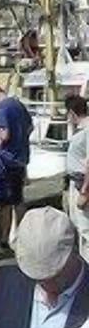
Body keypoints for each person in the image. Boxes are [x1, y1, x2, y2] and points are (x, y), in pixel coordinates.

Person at [0, 80, 33, 253]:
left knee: (5, 203)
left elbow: (4, 133)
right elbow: (30, 127)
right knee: (18, 200)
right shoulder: (18, 104)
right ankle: (24, 236)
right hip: (21, 157)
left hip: (5, 160)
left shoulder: (2, 108)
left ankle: (3, 241)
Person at [64, 95, 89, 262]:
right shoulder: (82, 130)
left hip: (82, 184)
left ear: (72, 113)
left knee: (86, 231)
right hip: (76, 182)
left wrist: (85, 192)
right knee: (79, 230)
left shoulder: (86, 131)